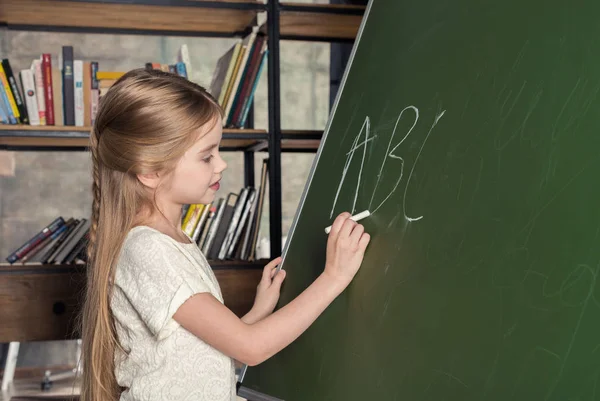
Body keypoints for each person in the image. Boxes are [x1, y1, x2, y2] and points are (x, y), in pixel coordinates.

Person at [80, 68, 371, 401]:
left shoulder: (172, 241)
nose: (222, 165)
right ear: (150, 172)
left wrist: (259, 312)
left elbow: (202, 357)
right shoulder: (148, 250)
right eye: (207, 156)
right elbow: (252, 349)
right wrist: (334, 277)